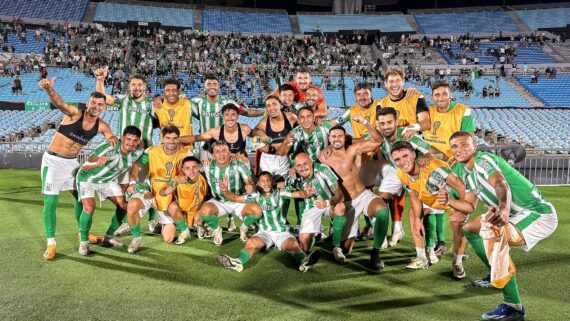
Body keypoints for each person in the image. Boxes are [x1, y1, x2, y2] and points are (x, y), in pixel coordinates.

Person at [448, 132, 558, 321]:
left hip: (537, 214)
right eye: (455, 147)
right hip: (515, 213)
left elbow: (500, 183)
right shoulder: (468, 173)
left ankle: (513, 306)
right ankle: (495, 273)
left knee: (492, 232)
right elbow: (469, 206)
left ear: (475, 145)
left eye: (464, 144)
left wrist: (504, 209)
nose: (459, 150)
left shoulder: (483, 160)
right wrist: (449, 201)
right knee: (469, 229)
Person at [38, 78, 116, 260]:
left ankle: (82, 234)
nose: (96, 106)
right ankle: (51, 243)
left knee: (82, 199)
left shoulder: (102, 125)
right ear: (88, 103)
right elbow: (60, 103)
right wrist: (49, 89)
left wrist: (112, 140)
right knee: (50, 203)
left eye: (100, 104)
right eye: (93, 103)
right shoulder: (74, 114)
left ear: (104, 107)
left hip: (72, 164)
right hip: (53, 162)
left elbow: (110, 136)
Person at [391, 141, 473, 276]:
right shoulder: (401, 173)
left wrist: (462, 208)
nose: (402, 161)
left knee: (457, 223)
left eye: (405, 156)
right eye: (397, 159)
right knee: (413, 214)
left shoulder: (433, 168)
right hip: (431, 200)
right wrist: (418, 219)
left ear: (413, 155)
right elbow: (414, 195)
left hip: (451, 199)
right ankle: (421, 257)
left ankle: (457, 263)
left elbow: (459, 185)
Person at [96, 67, 159, 234]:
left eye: (140, 85)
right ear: (129, 87)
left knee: (149, 187)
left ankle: (153, 220)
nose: (136, 87)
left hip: (144, 153)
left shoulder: (151, 105)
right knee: (125, 190)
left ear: (145, 87)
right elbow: (103, 99)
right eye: (133, 85)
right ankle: (126, 221)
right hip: (125, 153)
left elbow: (165, 120)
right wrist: (100, 80)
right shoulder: (123, 100)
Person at [318, 126, 390, 270]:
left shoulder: (354, 149)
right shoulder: (323, 157)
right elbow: (307, 164)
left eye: (340, 136)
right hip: (346, 203)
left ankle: (375, 254)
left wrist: (365, 122)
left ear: (345, 137)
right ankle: (338, 240)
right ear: (329, 139)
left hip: (363, 196)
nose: (336, 139)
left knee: (382, 211)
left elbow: (379, 140)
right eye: (333, 136)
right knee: (345, 250)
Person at [217, 171, 320, 272]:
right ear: (258, 183)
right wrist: (225, 191)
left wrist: (306, 193)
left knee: (293, 244)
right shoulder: (255, 196)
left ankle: (304, 262)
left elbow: (297, 194)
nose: (266, 183)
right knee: (251, 242)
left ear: (273, 182)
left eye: (268, 180)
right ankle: (238, 262)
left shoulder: (281, 193)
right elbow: (236, 198)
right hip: (264, 232)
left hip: (282, 232)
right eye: (262, 181)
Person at [423, 80, 476, 257]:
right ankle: (435, 244)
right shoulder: (427, 112)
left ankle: (459, 249)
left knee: (458, 212)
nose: (440, 98)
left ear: (450, 94)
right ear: (432, 96)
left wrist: (451, 157)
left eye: (444, 94)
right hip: (433, 168)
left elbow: (468, 139)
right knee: (431, 207)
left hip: (455, 169)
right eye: (437, 95)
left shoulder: (463, 111)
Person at [76, 126, 146, 255]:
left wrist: (132, 182)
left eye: (135, 140)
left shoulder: (138, 152)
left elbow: (139, 164)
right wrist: (97, 163)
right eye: (128, 139)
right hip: (88, 178)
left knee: (123, 206)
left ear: (138, 141)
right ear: (122, 138)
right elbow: (85, 165)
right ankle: (84, 243)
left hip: (108, 181)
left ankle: (108, 237)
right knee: (89, 207)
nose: (131, 143)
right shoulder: (109, 146)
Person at [125, 125, 191, 253]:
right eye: (168, 138)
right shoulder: (152, 151)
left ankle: (161, 223)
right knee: (132, 205)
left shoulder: (185, 153)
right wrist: (132, 182)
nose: (171, 141)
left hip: (168, 196)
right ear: (162, 138)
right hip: (150, 191)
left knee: (168, 239)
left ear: (178, 139)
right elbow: (137, 165)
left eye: (174, 138)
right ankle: (136, 238)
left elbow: (191, 172)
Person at [198, 141, 256, 246]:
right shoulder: (207, 166)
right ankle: (217, 230)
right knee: (204, 212)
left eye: (224, 151)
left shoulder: (239, 165)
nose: (221, 154)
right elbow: (191, 171)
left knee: (257, 211)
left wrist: (251, 188)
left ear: (229, 152)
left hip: (237, 200)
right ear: (213, 154)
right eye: (217, 152)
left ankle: (244, 228)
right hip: (219, 202)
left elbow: (250, 182)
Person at [289, 153, 344, 255]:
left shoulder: (323, 169)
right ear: (295, 167)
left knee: (340, 207)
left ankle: (336, 247)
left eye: (305, 163)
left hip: (328, 204)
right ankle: (313, 237)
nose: (302, 168)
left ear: (311, 162)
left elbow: (340, 195)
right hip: (311, 208)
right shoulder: (294, 177)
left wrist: (327, 202)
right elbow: (284, 187)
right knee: (302, 248)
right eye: (299, 165)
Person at [159, 156, 208, 243]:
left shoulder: (205, 178)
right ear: (183, 170)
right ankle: (185, 231)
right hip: (184, 209)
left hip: (199, 208)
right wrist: (167, 191)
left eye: (194, 167)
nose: (191, 171)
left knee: (202, 215)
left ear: (199, 168)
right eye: (187, 168)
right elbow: (161, 192)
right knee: (172, 207)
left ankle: (201, 225)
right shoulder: (177, 179)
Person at [153, 78, 195, 154]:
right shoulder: (158, 105)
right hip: (165, 151)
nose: (171, 93)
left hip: (185, 150)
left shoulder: (188, 104)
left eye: (174, 90)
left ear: (179, 92)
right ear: (164, 92)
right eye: (167, 90)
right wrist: (159, 98)